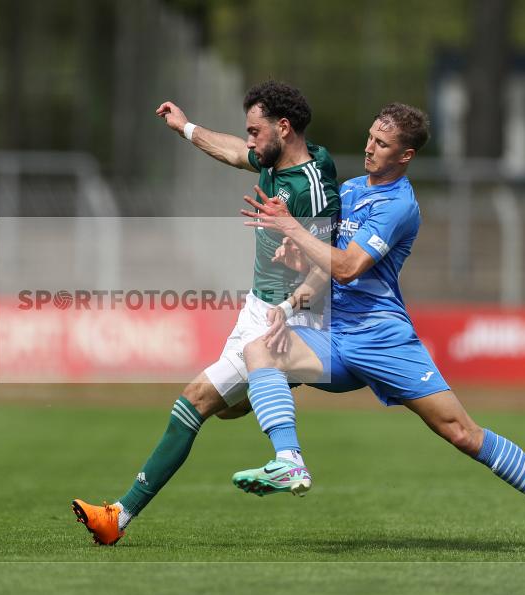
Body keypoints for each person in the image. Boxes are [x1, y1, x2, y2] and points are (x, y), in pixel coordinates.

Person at [234, 102, 525, 555]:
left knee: (462, 433)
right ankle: (289, 460)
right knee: (258, 349)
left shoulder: (399, 205)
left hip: (383, 338)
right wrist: (290, 299)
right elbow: (323, 266)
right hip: (334, 336)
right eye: (369, 136)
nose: (369, 148)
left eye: (382, 144)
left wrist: (294, 229)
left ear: (405, 156)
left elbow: (347, 268)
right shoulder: (346, 189)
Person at [72, 81, 339, 545]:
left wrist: (294, 305)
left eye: (256, 132)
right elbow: (237, 153)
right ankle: (276, 383)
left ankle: (117, 516)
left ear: (283, 126)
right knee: (227, 410)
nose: (251, 141)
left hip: (287, 316)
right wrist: (186, 127)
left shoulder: (310, 186)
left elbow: (331, 263)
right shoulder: (279, 156)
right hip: (258, 306)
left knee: (194, 400)